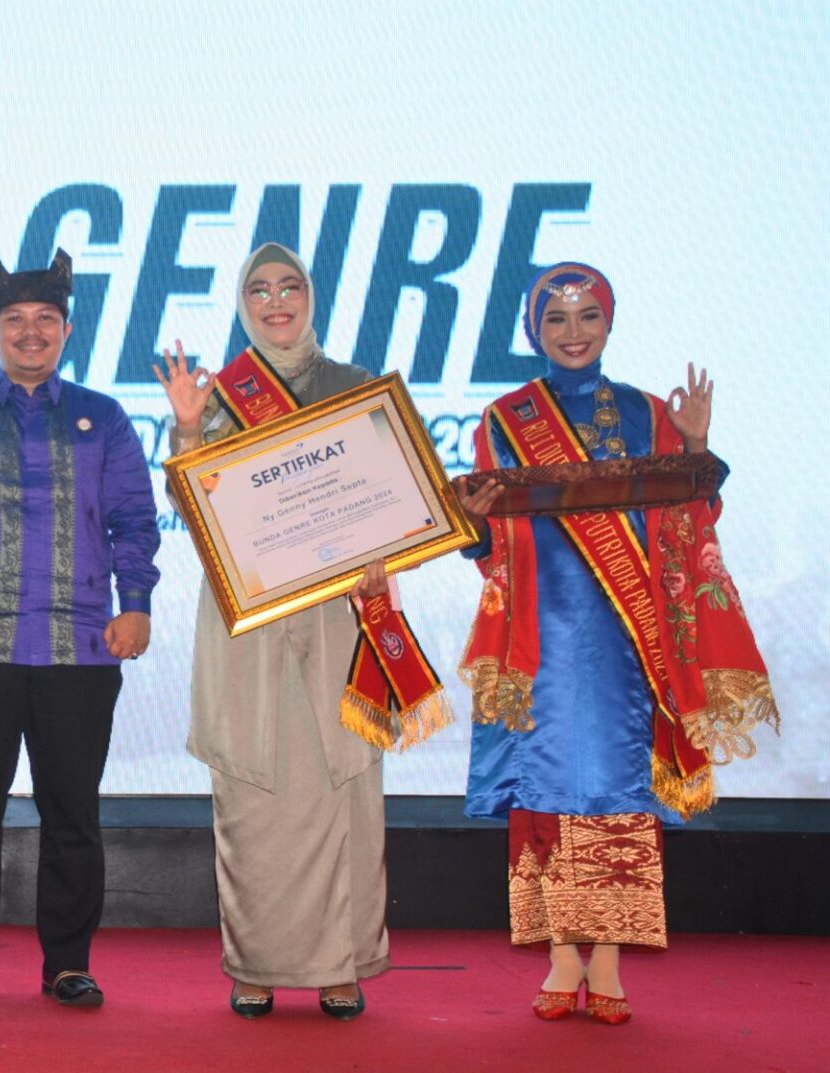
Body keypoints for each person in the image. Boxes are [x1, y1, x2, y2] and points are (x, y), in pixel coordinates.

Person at [455, 262, 778, 1025]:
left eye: (588, 315)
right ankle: (564, 956)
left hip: (628, 635)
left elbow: (687, 521)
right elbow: (489, 539)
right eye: (557, 317)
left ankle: (609, 959)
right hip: (541, 632)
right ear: (534, 328)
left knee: (618, 792)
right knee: (547, 792)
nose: (574, 331)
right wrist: (468, 522)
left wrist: (697, 444)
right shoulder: (506, 418)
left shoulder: (647, 412)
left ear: (609, 321)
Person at [156, 243, 453, 1020]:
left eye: (289, 287)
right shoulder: (216, 398)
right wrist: (187, 433)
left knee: (342, 785)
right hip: (247, 626)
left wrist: (389, 556)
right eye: (259, 288)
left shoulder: (358, 388)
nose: (276, 300)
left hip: (339, 619)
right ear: (243, 302)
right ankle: (255, 963)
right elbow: (197, 517)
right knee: (254, 793)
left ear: (311, 296)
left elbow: (401, 501)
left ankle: (341, 963)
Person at [0, 249, 160, 1009]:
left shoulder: (104, 416)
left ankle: (67, 963)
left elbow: (133, 521)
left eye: (45, 319)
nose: (29, 332)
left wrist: (137, 601)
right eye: (14, 320)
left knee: (73, 810)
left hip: (80, 645)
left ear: (67, 329)